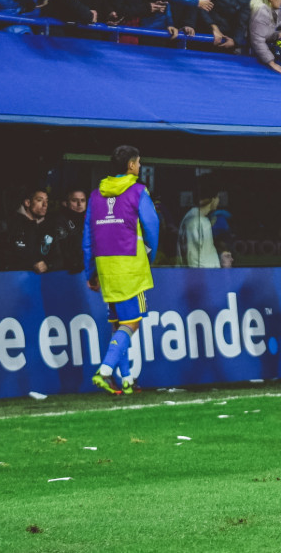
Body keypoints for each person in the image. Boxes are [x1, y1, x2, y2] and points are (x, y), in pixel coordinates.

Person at [84, 145, 160, 395]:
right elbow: (152, 225)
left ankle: (126, 379)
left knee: (118, 324)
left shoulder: (95, 195)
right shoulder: (138, 191)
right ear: (130, 165)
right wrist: (150, 256)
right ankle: (105, 371)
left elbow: (88, 237)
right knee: (132, 323)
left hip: (106, 266)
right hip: (130, 265)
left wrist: (91, 272)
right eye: (138, 162)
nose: (140, 166)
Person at [0, 188, 60, 273]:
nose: (45, 205)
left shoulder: (49, 227)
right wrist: (30, 265)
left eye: (46, 201)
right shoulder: (9, 225)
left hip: (42, 280)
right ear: (27, 203)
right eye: (39, 200)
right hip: (14, 279)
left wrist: (48, 265)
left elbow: (58, 258)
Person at [177, 176, 221, 267]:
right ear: (212, 199)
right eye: (217, 196)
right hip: (202, 274)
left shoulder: (197, 219)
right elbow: (194, 258)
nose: (218, 200)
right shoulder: (196, 222)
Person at [49, 188, 87, 274]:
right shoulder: (59, 221)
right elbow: (61, 250)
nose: (79, 204)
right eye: (74, 200)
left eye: (82, 200)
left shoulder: (90, 220)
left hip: (86, 270)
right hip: (65, 272)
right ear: (65, 203)